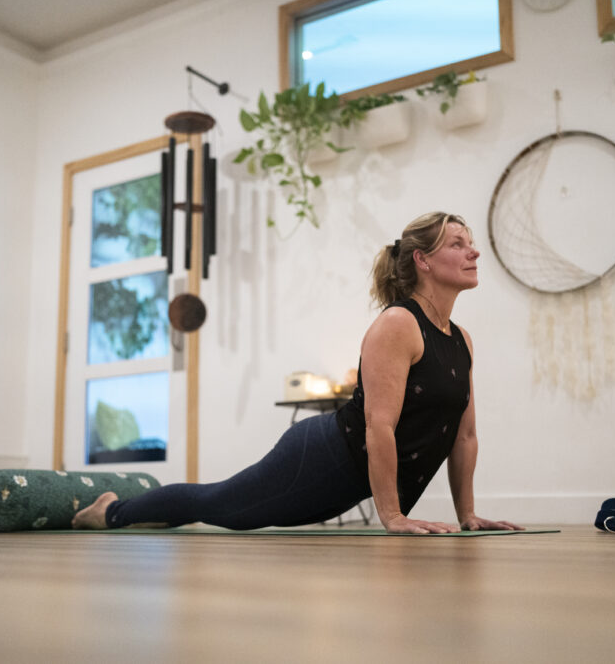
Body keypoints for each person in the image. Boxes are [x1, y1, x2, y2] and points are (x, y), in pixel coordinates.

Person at [73, 212, 522, 534]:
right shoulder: (398, 324)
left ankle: (124, 510)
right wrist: (392, 516)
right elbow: (378, 426)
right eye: (457, 244)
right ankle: (112, 511)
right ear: (423, 261)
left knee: (222, 504)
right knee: (222, 506)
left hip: (347, 474)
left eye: (470, 242)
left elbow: (463, 437)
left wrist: (468, 514)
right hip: (321, 457)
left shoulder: (460, 339)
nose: (474, 251)